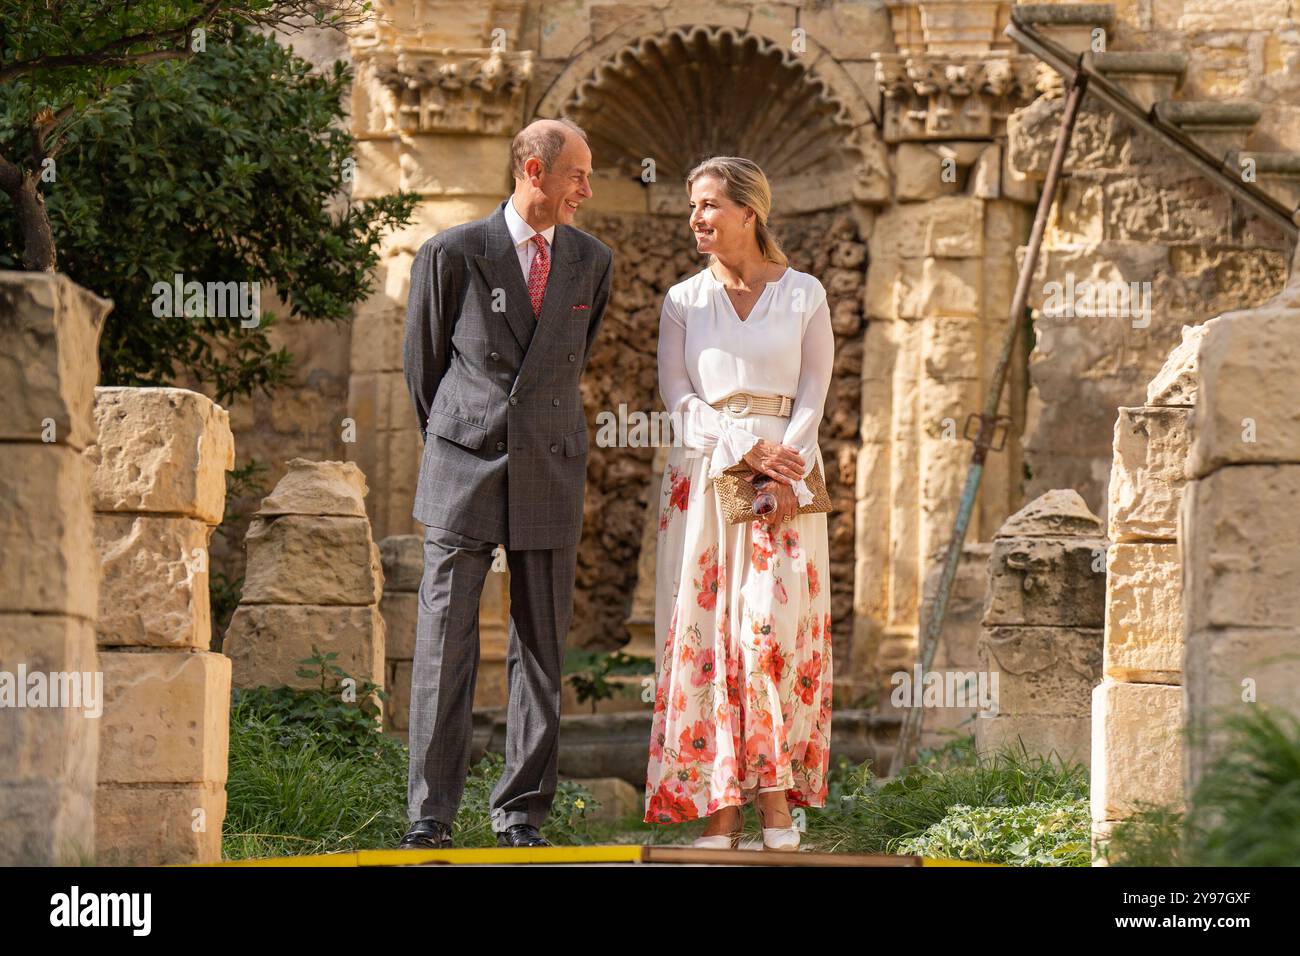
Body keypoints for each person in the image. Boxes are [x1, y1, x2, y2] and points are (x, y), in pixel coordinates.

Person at [399, 118, 613, 849]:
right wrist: (463, 436)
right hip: (464, 465)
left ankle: (521, 815)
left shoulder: (592, 261)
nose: (587, 190)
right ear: (534, 170)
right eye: (578, 175)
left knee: (542, 648)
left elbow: (566, 361)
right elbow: (424, 372)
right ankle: (431, 817)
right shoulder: (452, 252)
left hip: (551, 463)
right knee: (444, 644)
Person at [645, 156, 834, 851]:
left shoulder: (804, 294)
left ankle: (777, 803)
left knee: (770, 631)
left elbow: (813, 391)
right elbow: (678, 396)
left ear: (748, 212)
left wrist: (784, 469)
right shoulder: (683, 301)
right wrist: (743, 449)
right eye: (693, 206)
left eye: (709, 205)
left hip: (789, 474)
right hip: (708, 476)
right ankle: (720, 813)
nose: (696, 218)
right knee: (710, 632)